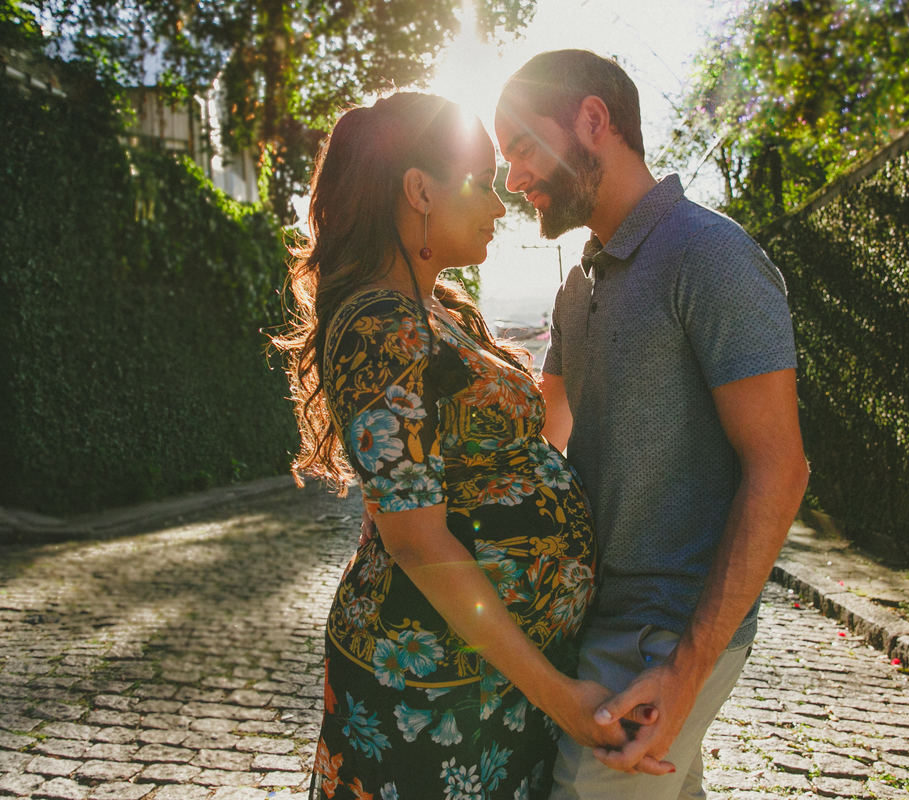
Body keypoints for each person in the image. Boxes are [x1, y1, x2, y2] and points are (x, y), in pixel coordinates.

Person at [273, 92, 644, 800]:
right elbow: (415, 541)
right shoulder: (378, 329)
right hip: (430, 690)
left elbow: (505, 451)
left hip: (480, 681)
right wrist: (559, 695)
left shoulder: (429, 312)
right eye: (481, 181)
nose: (501, 207)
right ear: (418, 190)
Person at [494, 50, 811, 799]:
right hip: (598, 620)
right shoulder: (578, 286)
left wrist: (684, 669)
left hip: (663, 638)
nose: (513, 180)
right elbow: (545, 438)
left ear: (593, 121)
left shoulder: (712, 257)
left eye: (523, 148)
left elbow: (781, 469)